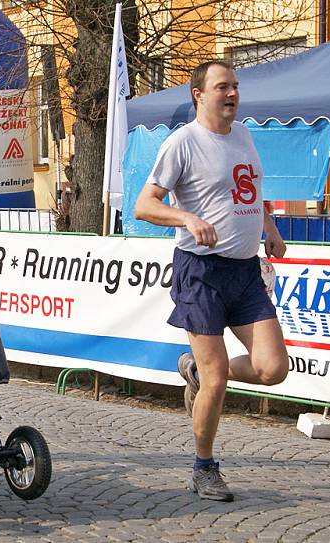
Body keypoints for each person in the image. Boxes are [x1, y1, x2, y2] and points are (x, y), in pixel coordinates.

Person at [135, 60, 288, 502]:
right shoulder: (182, 143)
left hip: (244, 270)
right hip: (200, 271)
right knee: (218, 374)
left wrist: (270, 227)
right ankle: (204, 467)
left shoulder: (243, 136)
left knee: (272, 368)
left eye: (236, 86)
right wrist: (185, 217)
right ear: (198, 94)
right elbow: (145, 205)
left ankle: (197, 374)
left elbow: (249, 191)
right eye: (223, 86)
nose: (232, 93)